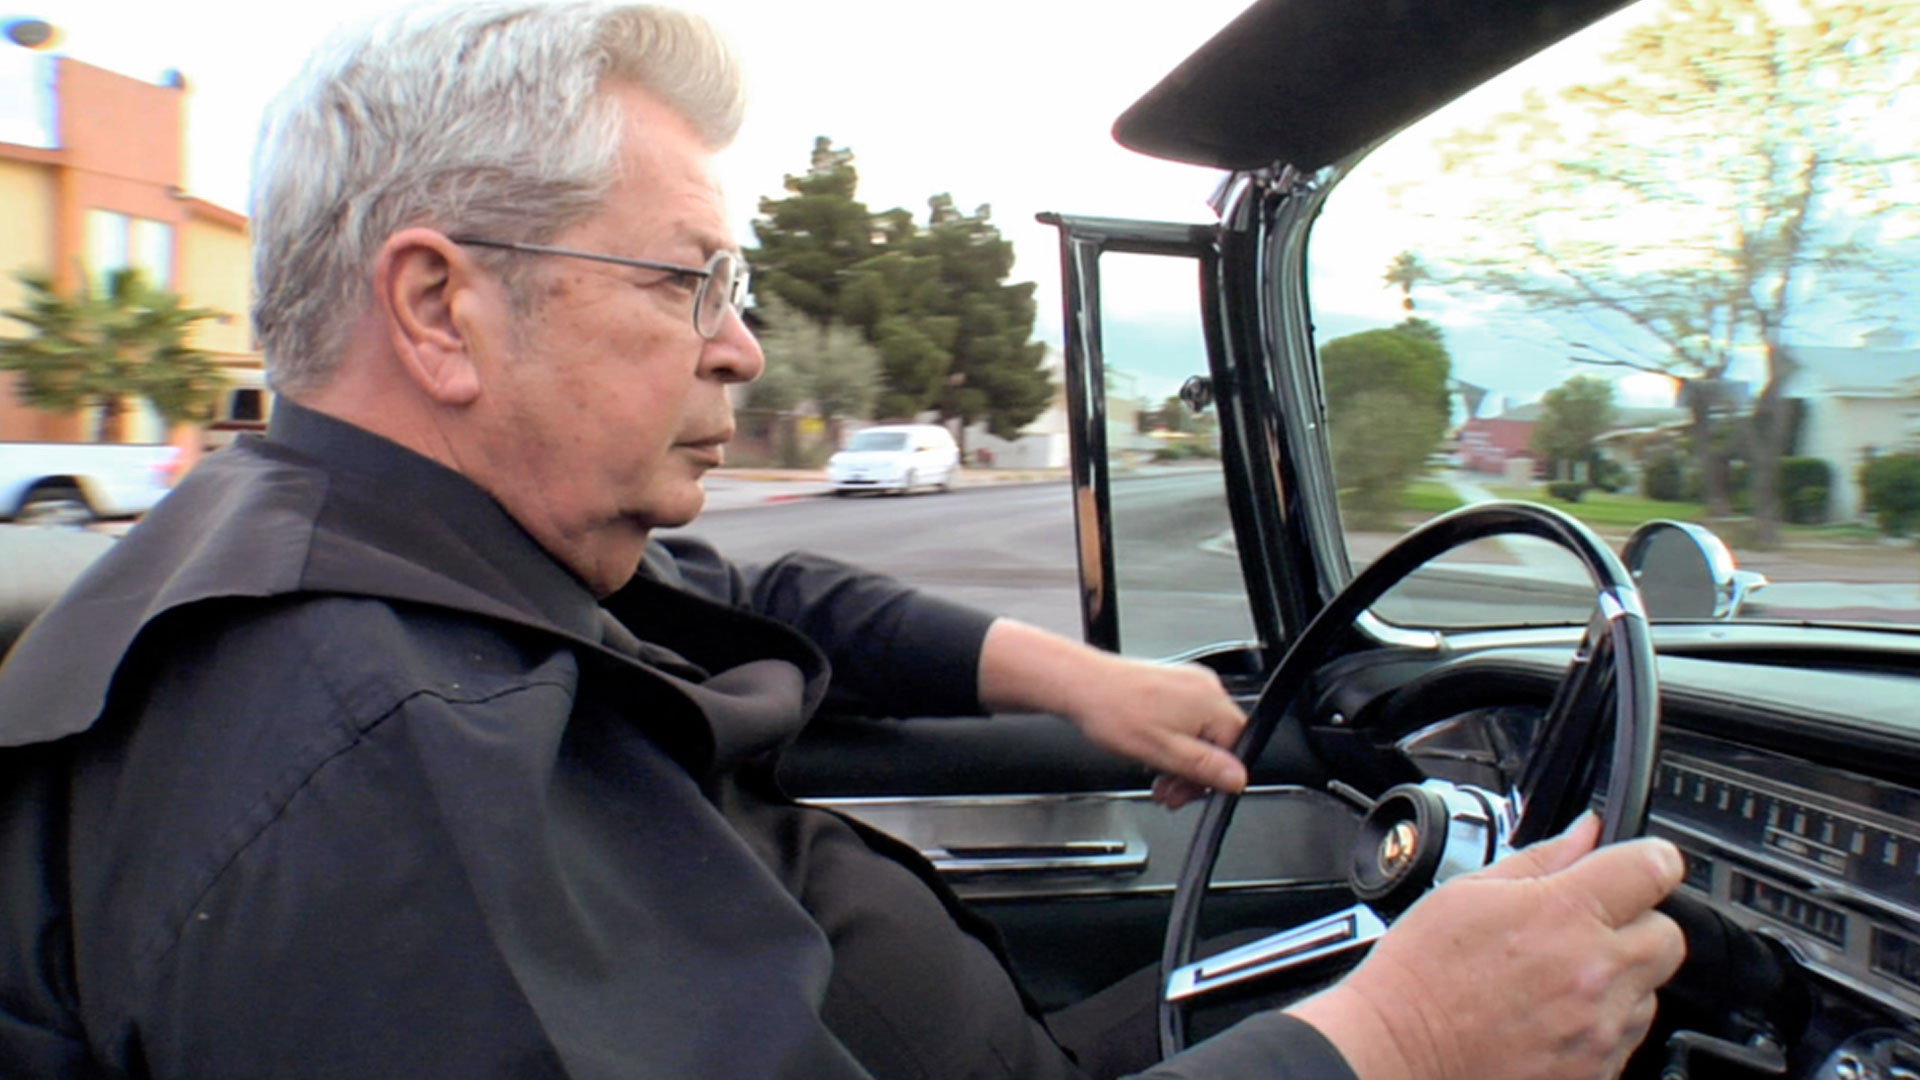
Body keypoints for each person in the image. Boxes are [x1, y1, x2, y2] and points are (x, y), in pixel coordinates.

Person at [0, 3, 1684, 1077]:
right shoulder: (390, 758)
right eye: (688, 283)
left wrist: (1064, 675)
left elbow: (761, 593)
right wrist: (1397, 1038)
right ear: (441, 308)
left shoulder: (429, 555)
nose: (738, 347)